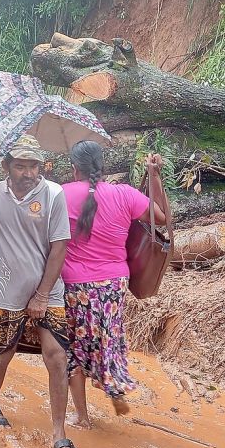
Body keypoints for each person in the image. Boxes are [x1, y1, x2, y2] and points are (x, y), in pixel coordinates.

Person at [0, 135, 84, 448]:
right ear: (7, 167)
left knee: (57, 356)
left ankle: (59, 434)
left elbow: (60, 246)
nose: (29, 172)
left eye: (34, 165)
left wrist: (43, 294)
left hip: (48, 289)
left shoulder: (54, 193)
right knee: (3, 352)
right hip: (6, 289)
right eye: (21, 165)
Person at [60, 140, 167, 428]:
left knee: (76, 345)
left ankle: (82, 416)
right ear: (102, 167)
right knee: (109, 336)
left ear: (74, 169)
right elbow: (162, 218)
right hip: (114, 283)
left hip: (75, 284)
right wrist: (154, 176)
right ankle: (114, 385)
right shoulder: (125, 195)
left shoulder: (61, 194)